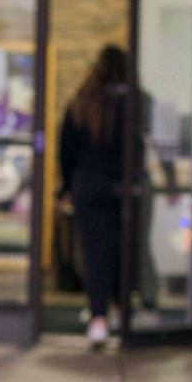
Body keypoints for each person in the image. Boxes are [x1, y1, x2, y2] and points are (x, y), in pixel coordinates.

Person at [58, 42, 130, 349]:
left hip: (88, 187)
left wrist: (66, 189)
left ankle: (99, 317)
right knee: (122, 252)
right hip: (122, 188)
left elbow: (66, 150)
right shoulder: (132, 104)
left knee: (94, 254)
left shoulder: (83, 101)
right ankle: (117, 310)